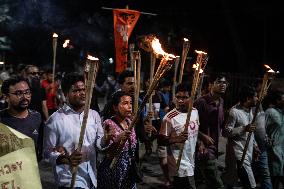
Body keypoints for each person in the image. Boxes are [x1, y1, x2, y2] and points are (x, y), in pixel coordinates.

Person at [43, 72, 106, 189]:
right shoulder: (55, 120)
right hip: (69, 179)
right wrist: (67, 159)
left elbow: (99, 144)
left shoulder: (93, 115)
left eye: (83, 89)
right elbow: (47, 153)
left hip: (92, 176)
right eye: (76, 91)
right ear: (65, 94)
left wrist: (107, 137)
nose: (81, 93)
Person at [158, 83, 200, 189]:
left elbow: (195, 132)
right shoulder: (169, 117)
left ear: (192, 98)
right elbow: (161, 140)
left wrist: (201, 143)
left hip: (191, 158)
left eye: (185, 97)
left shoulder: (195, 112)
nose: (180, 100)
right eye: (178, 97)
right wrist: (177, 139)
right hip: (179, 162)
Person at [193, 74, 228, 189]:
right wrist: (201, 139)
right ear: (210, 85)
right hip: (203, 148)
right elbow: (190, 125)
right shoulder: (201, 102)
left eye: (224, 83)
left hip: (215, 147)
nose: (223, 85)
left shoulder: (221, 101)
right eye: (219, 82)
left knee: (204, 181)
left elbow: (221, 123)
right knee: (217, 183)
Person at [98, 91, 138, 189]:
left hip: (128, 169)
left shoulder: (130, 122)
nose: (129, 106)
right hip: (113, 169)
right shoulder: (109, 123)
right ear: (115, 107)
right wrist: (119, 139)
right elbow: (107, 152)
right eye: (125, 103)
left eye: (130, 103)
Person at [223, 85, 258, 189]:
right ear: (248, 98)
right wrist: (243, 128)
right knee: (250, 184)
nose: (257, 99)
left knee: (233, 183)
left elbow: (250, 131)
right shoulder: (234, 111)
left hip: (248, 151)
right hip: (238, 154)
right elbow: (226, 132)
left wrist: (255, 146)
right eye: (255, 96)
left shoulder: (250, 111)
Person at [0, 75, 42, 160]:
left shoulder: (36, 116)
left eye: (27, 92)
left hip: (31, 170)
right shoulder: (1, 119)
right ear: (6, 97)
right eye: (18, 93)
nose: (25, 97)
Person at [265, 89, 284, 189]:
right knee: (274, 177)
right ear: (277, 101)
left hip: (281, 150)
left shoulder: (282, 113)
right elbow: (261, 129)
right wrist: (267, 140)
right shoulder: (270, 112)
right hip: (273, 151)